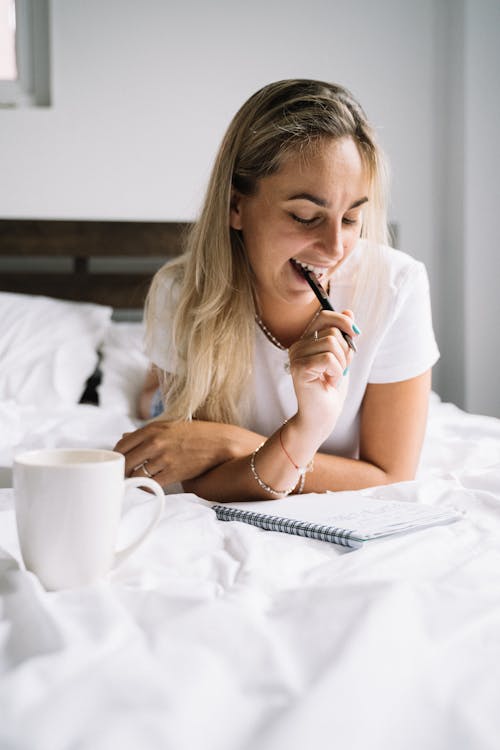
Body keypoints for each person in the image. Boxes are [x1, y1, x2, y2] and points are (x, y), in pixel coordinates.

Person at [115, 79, 439, 502]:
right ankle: (151, 384)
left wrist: (231, 442)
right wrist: (282, 444)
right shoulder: (181, 293)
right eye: (305, 216)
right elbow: (196, 476)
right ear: (236, 207)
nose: (335, 248)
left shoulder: (398, 287)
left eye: (350, 219)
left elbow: (391, 478)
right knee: (152, 406)